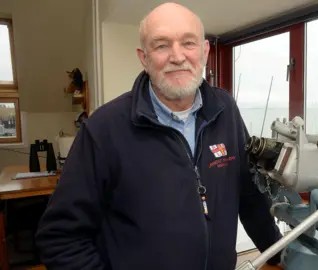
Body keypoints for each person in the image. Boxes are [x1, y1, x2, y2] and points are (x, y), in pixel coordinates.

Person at [35, 2, 283, 270]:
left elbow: (250, 200)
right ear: (144, 57)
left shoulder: (226, 111)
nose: (177, 57)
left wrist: (284, 256)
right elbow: (60, 238)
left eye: (188, 43)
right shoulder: (103, 129)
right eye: (162, 45)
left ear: (205, 51)